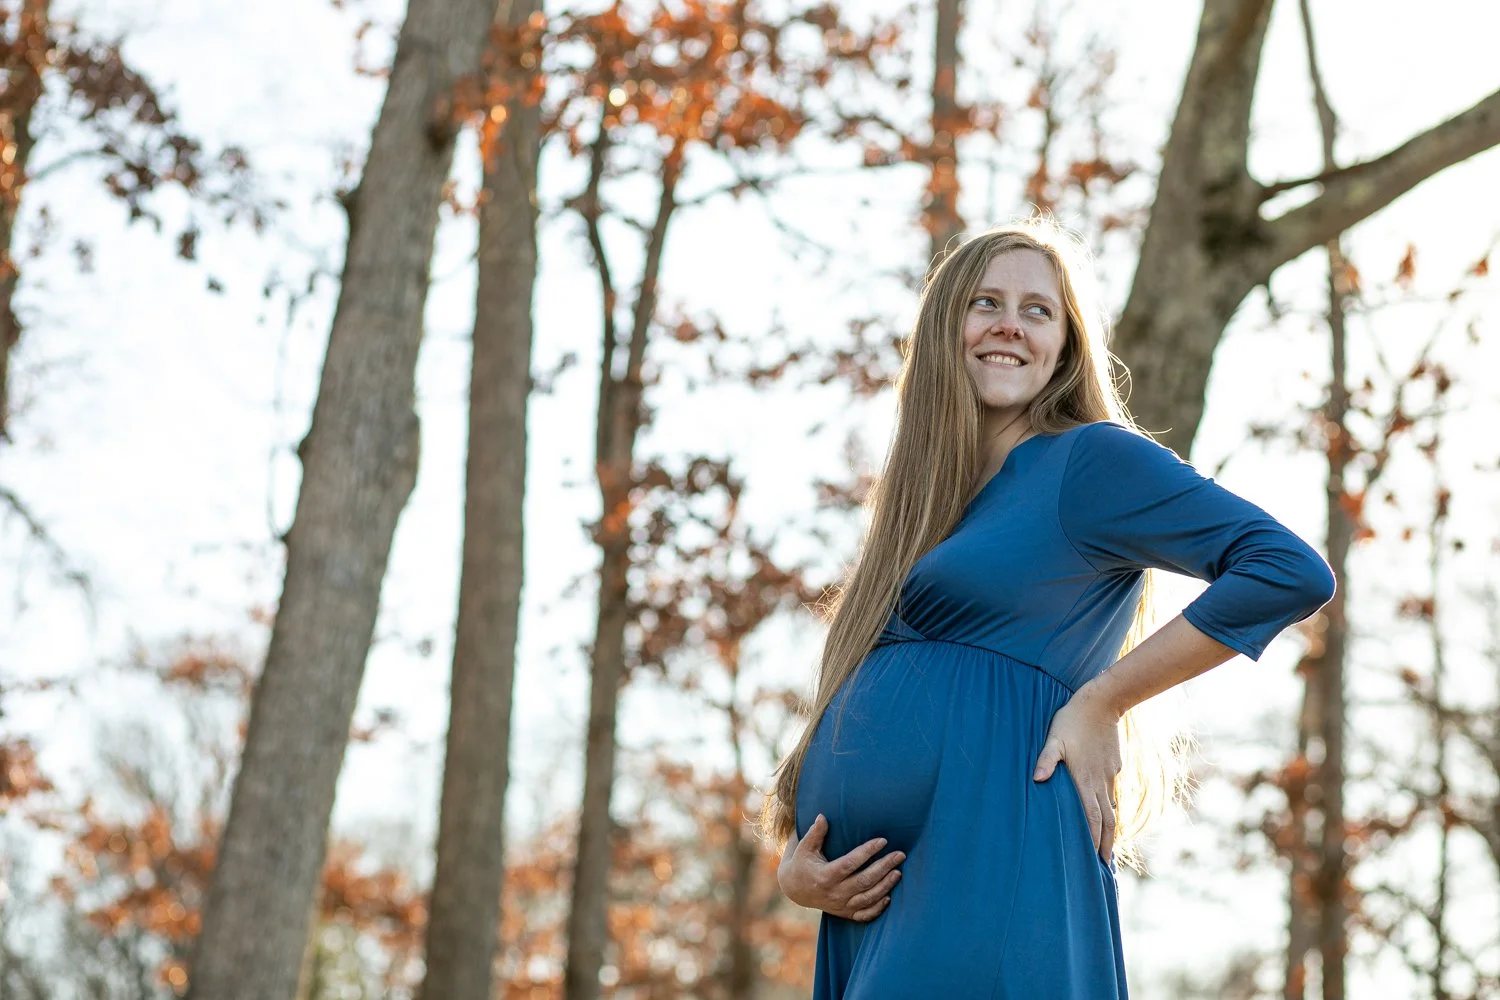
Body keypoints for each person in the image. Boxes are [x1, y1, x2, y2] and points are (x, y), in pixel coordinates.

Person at [760, 218, 1336, 999]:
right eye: (986, 302)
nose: (1009, 324)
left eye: (1039, 310)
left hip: (994, 853)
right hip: (872, 914)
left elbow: (1286, 569)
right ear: (944, 331)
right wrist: (802, 870)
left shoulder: (1090, 461)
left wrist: (1104, 700)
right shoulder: (921, 509)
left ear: (1065, 344)